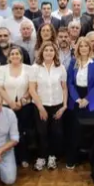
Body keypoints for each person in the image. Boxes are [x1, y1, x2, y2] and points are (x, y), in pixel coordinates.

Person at [29, 41, 67, 171]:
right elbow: (32, 89)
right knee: (41, 132)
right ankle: (41, 157)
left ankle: (52, 157)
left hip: (57, 105)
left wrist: (64, 106)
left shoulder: (60, 67)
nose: (49, 52)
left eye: (51, 50)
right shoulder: (35, 68)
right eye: (46, 50)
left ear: (55, 53)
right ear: (42, 52)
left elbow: (64, 88)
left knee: (55, 132)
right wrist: (40, 108)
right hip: (41, 105)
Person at [67, 37, 94, 168]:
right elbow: (70, 82)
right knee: (75, 130)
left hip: (91, 99)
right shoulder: (73, 62)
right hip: (76, 98)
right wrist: (77, 99)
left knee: (91, 130)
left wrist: (87, 99)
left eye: (86, 46)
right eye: (81, 46)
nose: (83, 48)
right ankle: (74, 158)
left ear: (89, 48)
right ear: (78, 48)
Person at [0, 47, 34, 168]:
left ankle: (24, 157)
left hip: (25, 106)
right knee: (8, 132)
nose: (15, 56)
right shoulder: (2, 69)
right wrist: (11, 102)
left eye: (17, 53)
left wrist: (22, 101)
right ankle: (11, 158)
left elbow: (31, 87)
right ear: (9, 57)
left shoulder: (29, 69)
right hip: (7, 106)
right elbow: (0, 87)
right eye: (12, 54)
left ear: (21, 56)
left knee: (23, 132)